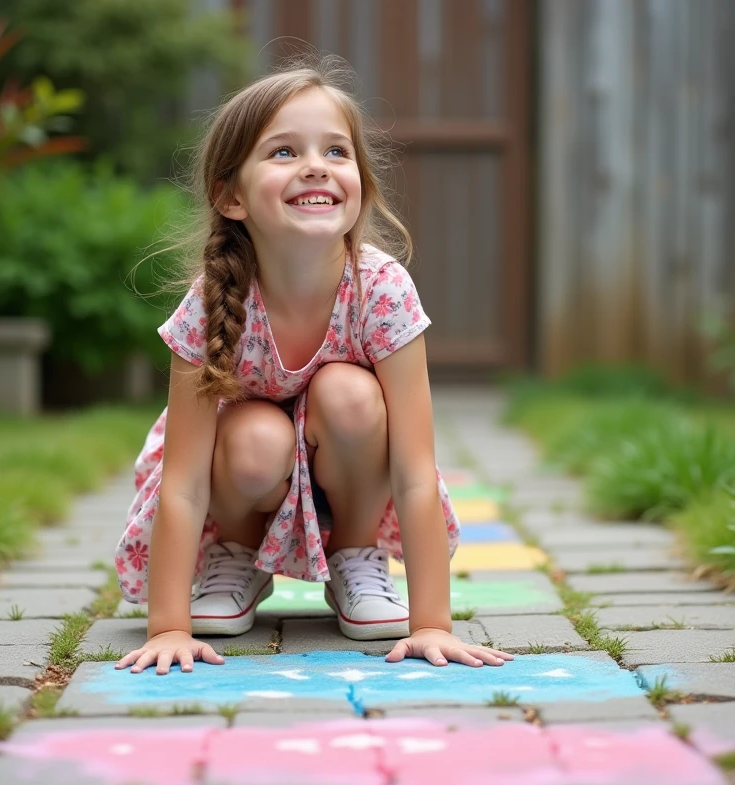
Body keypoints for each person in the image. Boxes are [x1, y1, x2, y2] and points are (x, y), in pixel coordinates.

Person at [113, 58, 515, 676]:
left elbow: (413, 468)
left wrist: (432, 622)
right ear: (231, 196)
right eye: (282, 152)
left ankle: (356, 555)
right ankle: (236, 556)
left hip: (352, 470)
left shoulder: (381, 288)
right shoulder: (215, 300)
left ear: (360, 181)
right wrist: (169, 627)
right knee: (255, 433)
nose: (315, 165)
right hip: (242, 477)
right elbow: (185, 481)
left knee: (349, 394)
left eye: (336, 150)